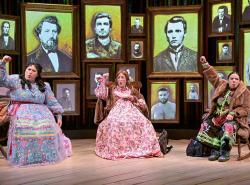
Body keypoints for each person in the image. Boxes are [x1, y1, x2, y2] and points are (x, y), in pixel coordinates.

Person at [0, 55, 72, 166]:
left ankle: (45, 157)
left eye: (33, 71)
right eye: (28, 69)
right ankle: (25, 158)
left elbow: (52, 101)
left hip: (42, 113)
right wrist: (3, 63)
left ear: (37, 74)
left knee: (47, 128)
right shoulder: (16, 80)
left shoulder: (44, 86)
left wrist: (59, 115)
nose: (30, 72)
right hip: (21, 112)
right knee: (25, 129)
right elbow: (2, 80)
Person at [94, 70, 162, 160]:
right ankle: (118, 149)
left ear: (126, 79)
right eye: (118, 77)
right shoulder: (112, 90)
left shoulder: (132, 90)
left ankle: (139, 147)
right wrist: (103, 81)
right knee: (116, 122)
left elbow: (141, 101)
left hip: (131, 110)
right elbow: (101, 95)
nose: (120, 79)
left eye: (122, 77)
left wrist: (133, 98)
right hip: (116, 111)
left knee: (144, 122)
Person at [195, 56, 250, 162]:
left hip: (235, 119)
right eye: (232, 79)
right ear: (228, 80)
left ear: (239, 81)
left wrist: (234, 113)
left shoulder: (245, 92)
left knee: (228, 127)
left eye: (236, 79)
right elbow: (213, 77)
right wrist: (205, 64)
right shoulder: (222, 85)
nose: (234, 81)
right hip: (218, 116)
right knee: (207, 124)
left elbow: (246, 109)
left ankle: (225, 151)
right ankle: (215, 150)